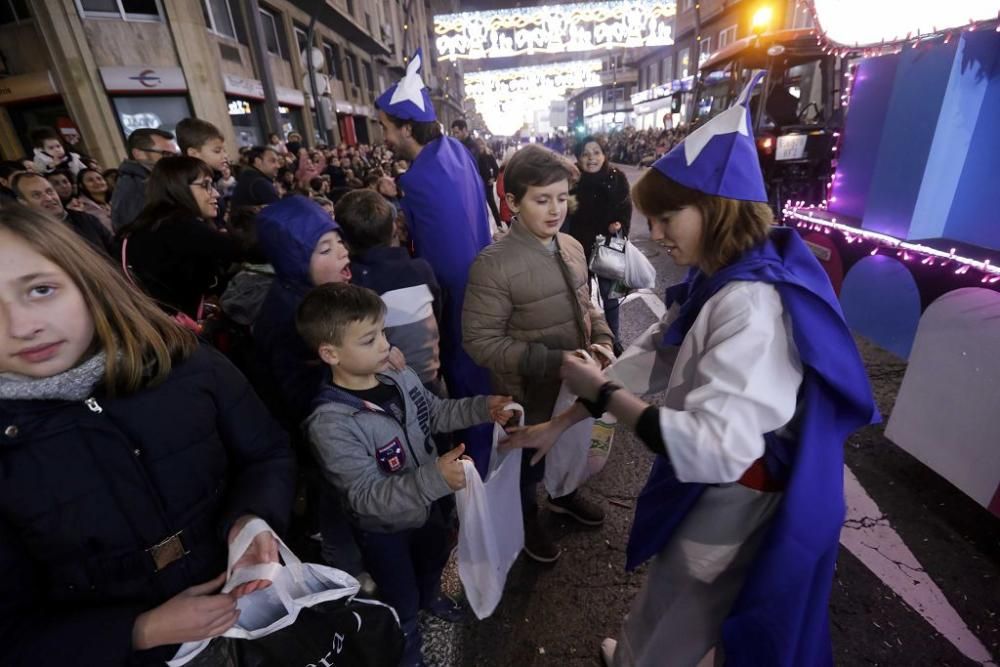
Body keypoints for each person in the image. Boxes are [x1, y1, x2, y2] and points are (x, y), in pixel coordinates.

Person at [504, 75, 877, 666]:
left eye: (666, 218)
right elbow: (656, 351)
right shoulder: (729, 269)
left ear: (715, 209)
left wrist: (597, 390)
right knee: (678, 599)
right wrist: (569, 417)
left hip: (736, 492)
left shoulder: (752, 306)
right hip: (727, 487)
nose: (654, 234)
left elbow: (711, 447)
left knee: (685, 607)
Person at [0, 205, 296, 665]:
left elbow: (266, 452)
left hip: (251, 621)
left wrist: (253, 518)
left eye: (41, 290)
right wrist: (138, 631)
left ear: (86, 281)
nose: (22, 327)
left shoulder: (184, 361)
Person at [298, 282, 514, 667]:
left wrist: (483, 408)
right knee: (400, 597)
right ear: (330, 353)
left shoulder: (398, 376)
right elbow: (364, 496)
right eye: (369, 340)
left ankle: (431, 595)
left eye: (382, 332)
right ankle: (408, 646)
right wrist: (434, 479)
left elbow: (435, 413)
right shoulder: (331, 423)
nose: (385, 345)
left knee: (432, 561)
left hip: (430, 508)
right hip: (385, 532)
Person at [462, 144, 613, 563]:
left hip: (574, 383)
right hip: (526, 392)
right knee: (528, 462)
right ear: (511, 202)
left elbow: (588, 303)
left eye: (562, 198)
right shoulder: (492, 265)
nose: (555, 210)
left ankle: (564, 495)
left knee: (570, 447)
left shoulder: (572, 246)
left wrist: (602, 340)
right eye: (541, 199)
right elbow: (480, 342)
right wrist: (554, 361)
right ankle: (526, 518)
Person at [376, 49, 494, 473]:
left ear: (407, 127)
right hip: (485, 288)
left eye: (386, 127)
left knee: (466, 389)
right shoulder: (455, 152)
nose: (384, 136)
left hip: (459, 304)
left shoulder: (419, 179)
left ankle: (474, 472)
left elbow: (439, 265)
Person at [335, 189, 443, 394]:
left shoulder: (352, 284)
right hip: (429, 381)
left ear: (345, 241)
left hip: (385, 390)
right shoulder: (420, 270)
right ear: (394, 227)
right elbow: (438, 314)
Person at [120, 156, 243, 322]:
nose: (216, 193)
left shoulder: (148, 223)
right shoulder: (179, 226)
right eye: (205, 185)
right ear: (178, 188)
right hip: (176, 334)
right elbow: (244, 250)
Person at [564, 135, 632, 351]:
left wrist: (619, 225)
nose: (591, 158)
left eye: (596, 152)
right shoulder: (571, 179)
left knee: (611, 298)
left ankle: (614, 339)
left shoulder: (616, 177)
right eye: (585, 153)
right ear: (578, 157)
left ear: (604, 155)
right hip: (578, 248)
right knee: (580, 299)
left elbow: (625, 207)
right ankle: (586, 338)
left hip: (608, 247)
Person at [12, 171, 114, 257]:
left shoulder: (87, 220)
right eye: (37, 195)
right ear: (23, 202)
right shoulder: (26, 237)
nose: (48, 198)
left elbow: (116, 252)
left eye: (50, 191)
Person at [111, 128, 178, 233]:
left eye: (175, 155)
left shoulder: (152, 180)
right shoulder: (133, 187)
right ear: (138, 154)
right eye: (166, 154)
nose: (174, 160)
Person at [230, 146, 280, 210]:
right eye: (273, 161)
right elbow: (279, 213)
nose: (278, 166)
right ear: (258, 161)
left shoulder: (248, 177)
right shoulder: (260, 183)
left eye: (278, 161)